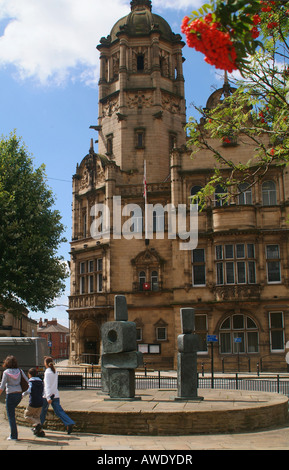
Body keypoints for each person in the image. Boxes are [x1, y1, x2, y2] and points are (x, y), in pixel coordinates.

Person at [40, 357, 75, 434]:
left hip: (47, 396)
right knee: (59, 411)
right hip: (55, 394)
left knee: (42, 412)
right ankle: (69, 422)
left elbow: (47, 386)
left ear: (46, 363)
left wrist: (48, 397)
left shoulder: (47, 372)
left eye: (44, 362)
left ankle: (39, 426)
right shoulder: (54, 371)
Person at [0, 355, 28, 440]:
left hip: (10, 394)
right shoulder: (20, 371)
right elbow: (27, 381)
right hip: (19, 394)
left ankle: (13, 436)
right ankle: (13, 434)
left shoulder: (6, 372)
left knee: (11, 416)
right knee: (12, 413)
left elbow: (2, 387)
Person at [22, 368, 45, 437]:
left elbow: (29, 390)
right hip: (41, 402)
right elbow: (43, 391)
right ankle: (39, 431)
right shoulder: (41, 382)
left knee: (27, 415)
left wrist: (22, 395)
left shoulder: (31, 382)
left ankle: (38, 424)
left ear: (29, 375)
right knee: (37, 416)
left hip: (33, 402)